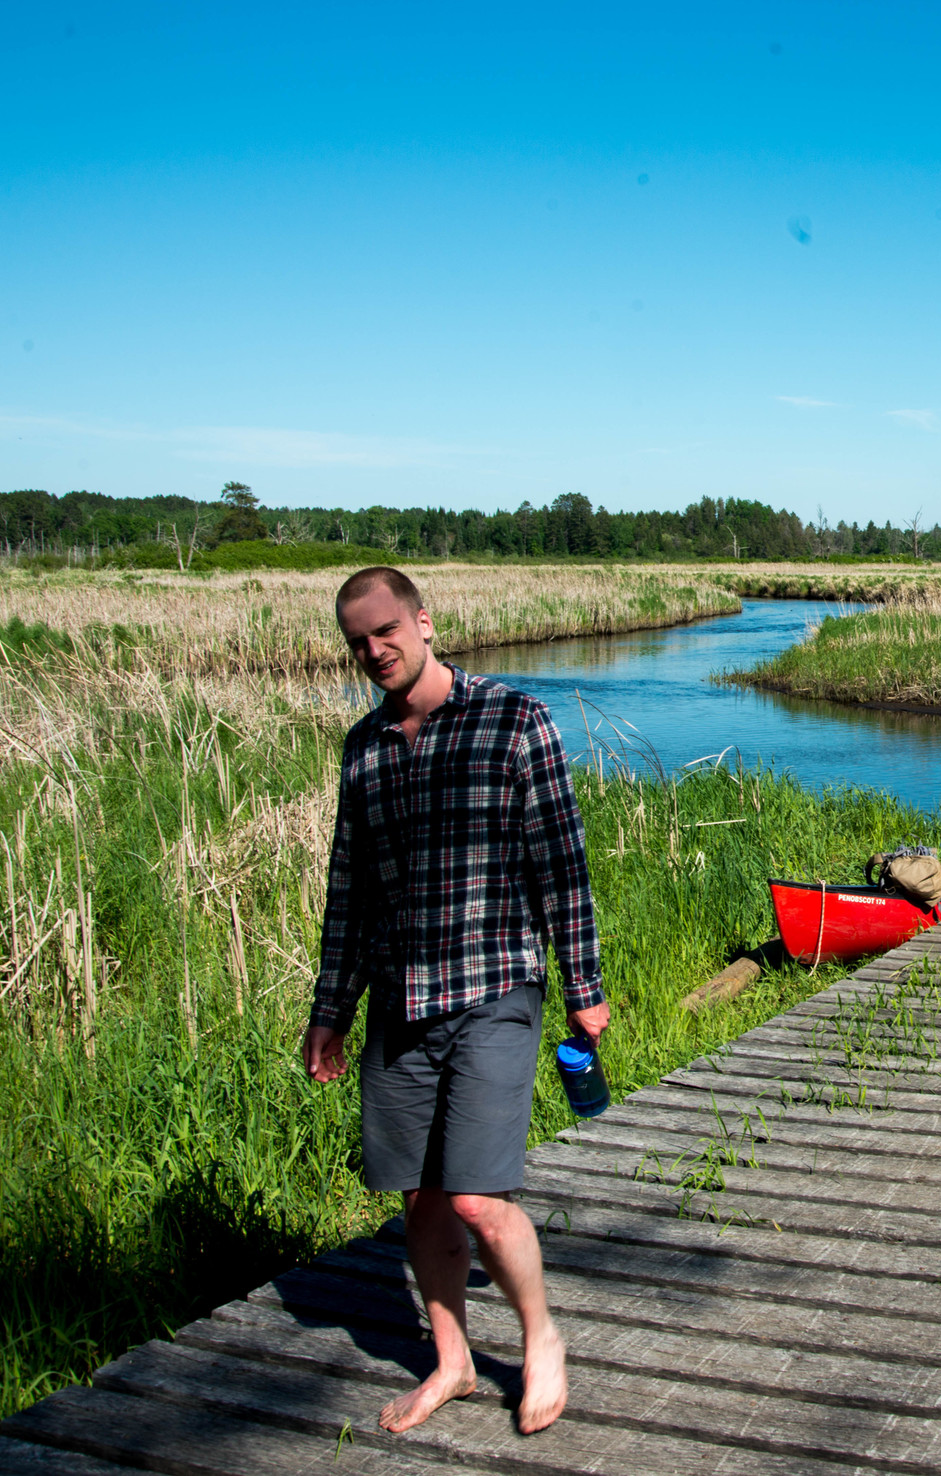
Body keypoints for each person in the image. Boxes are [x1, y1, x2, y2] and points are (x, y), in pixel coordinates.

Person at [301, 566, 611, 1436]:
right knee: (421, 1197)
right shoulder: (363, 750)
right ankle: (454, 1362)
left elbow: (562, 864)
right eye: (358, 641)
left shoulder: (515, 722)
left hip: (495, 990)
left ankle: (540, 1335)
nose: (374, 650)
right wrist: (332, 1008)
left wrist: (583, 986)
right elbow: (350, 894)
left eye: (386, 630)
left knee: (477, 1195)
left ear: (425, 622)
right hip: (402, 1003)